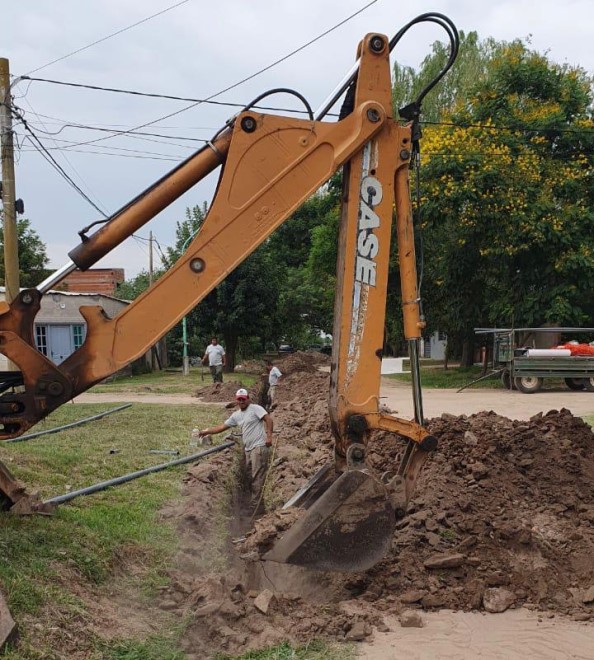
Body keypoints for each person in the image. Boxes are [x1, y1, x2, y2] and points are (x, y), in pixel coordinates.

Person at [197, 388, 273, 513]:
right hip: (248, 449)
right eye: (239, 399)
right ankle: (251, 502)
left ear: (248, 398)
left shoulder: (255, 408)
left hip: (259, 447)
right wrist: (206, 431)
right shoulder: (236, 415)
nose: (242, 401)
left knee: (257, 477)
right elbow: (222, 427)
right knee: (249, 476)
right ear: (236, 400)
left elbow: (268, 419)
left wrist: (269, 436)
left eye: (244, 399)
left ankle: (256, 508)